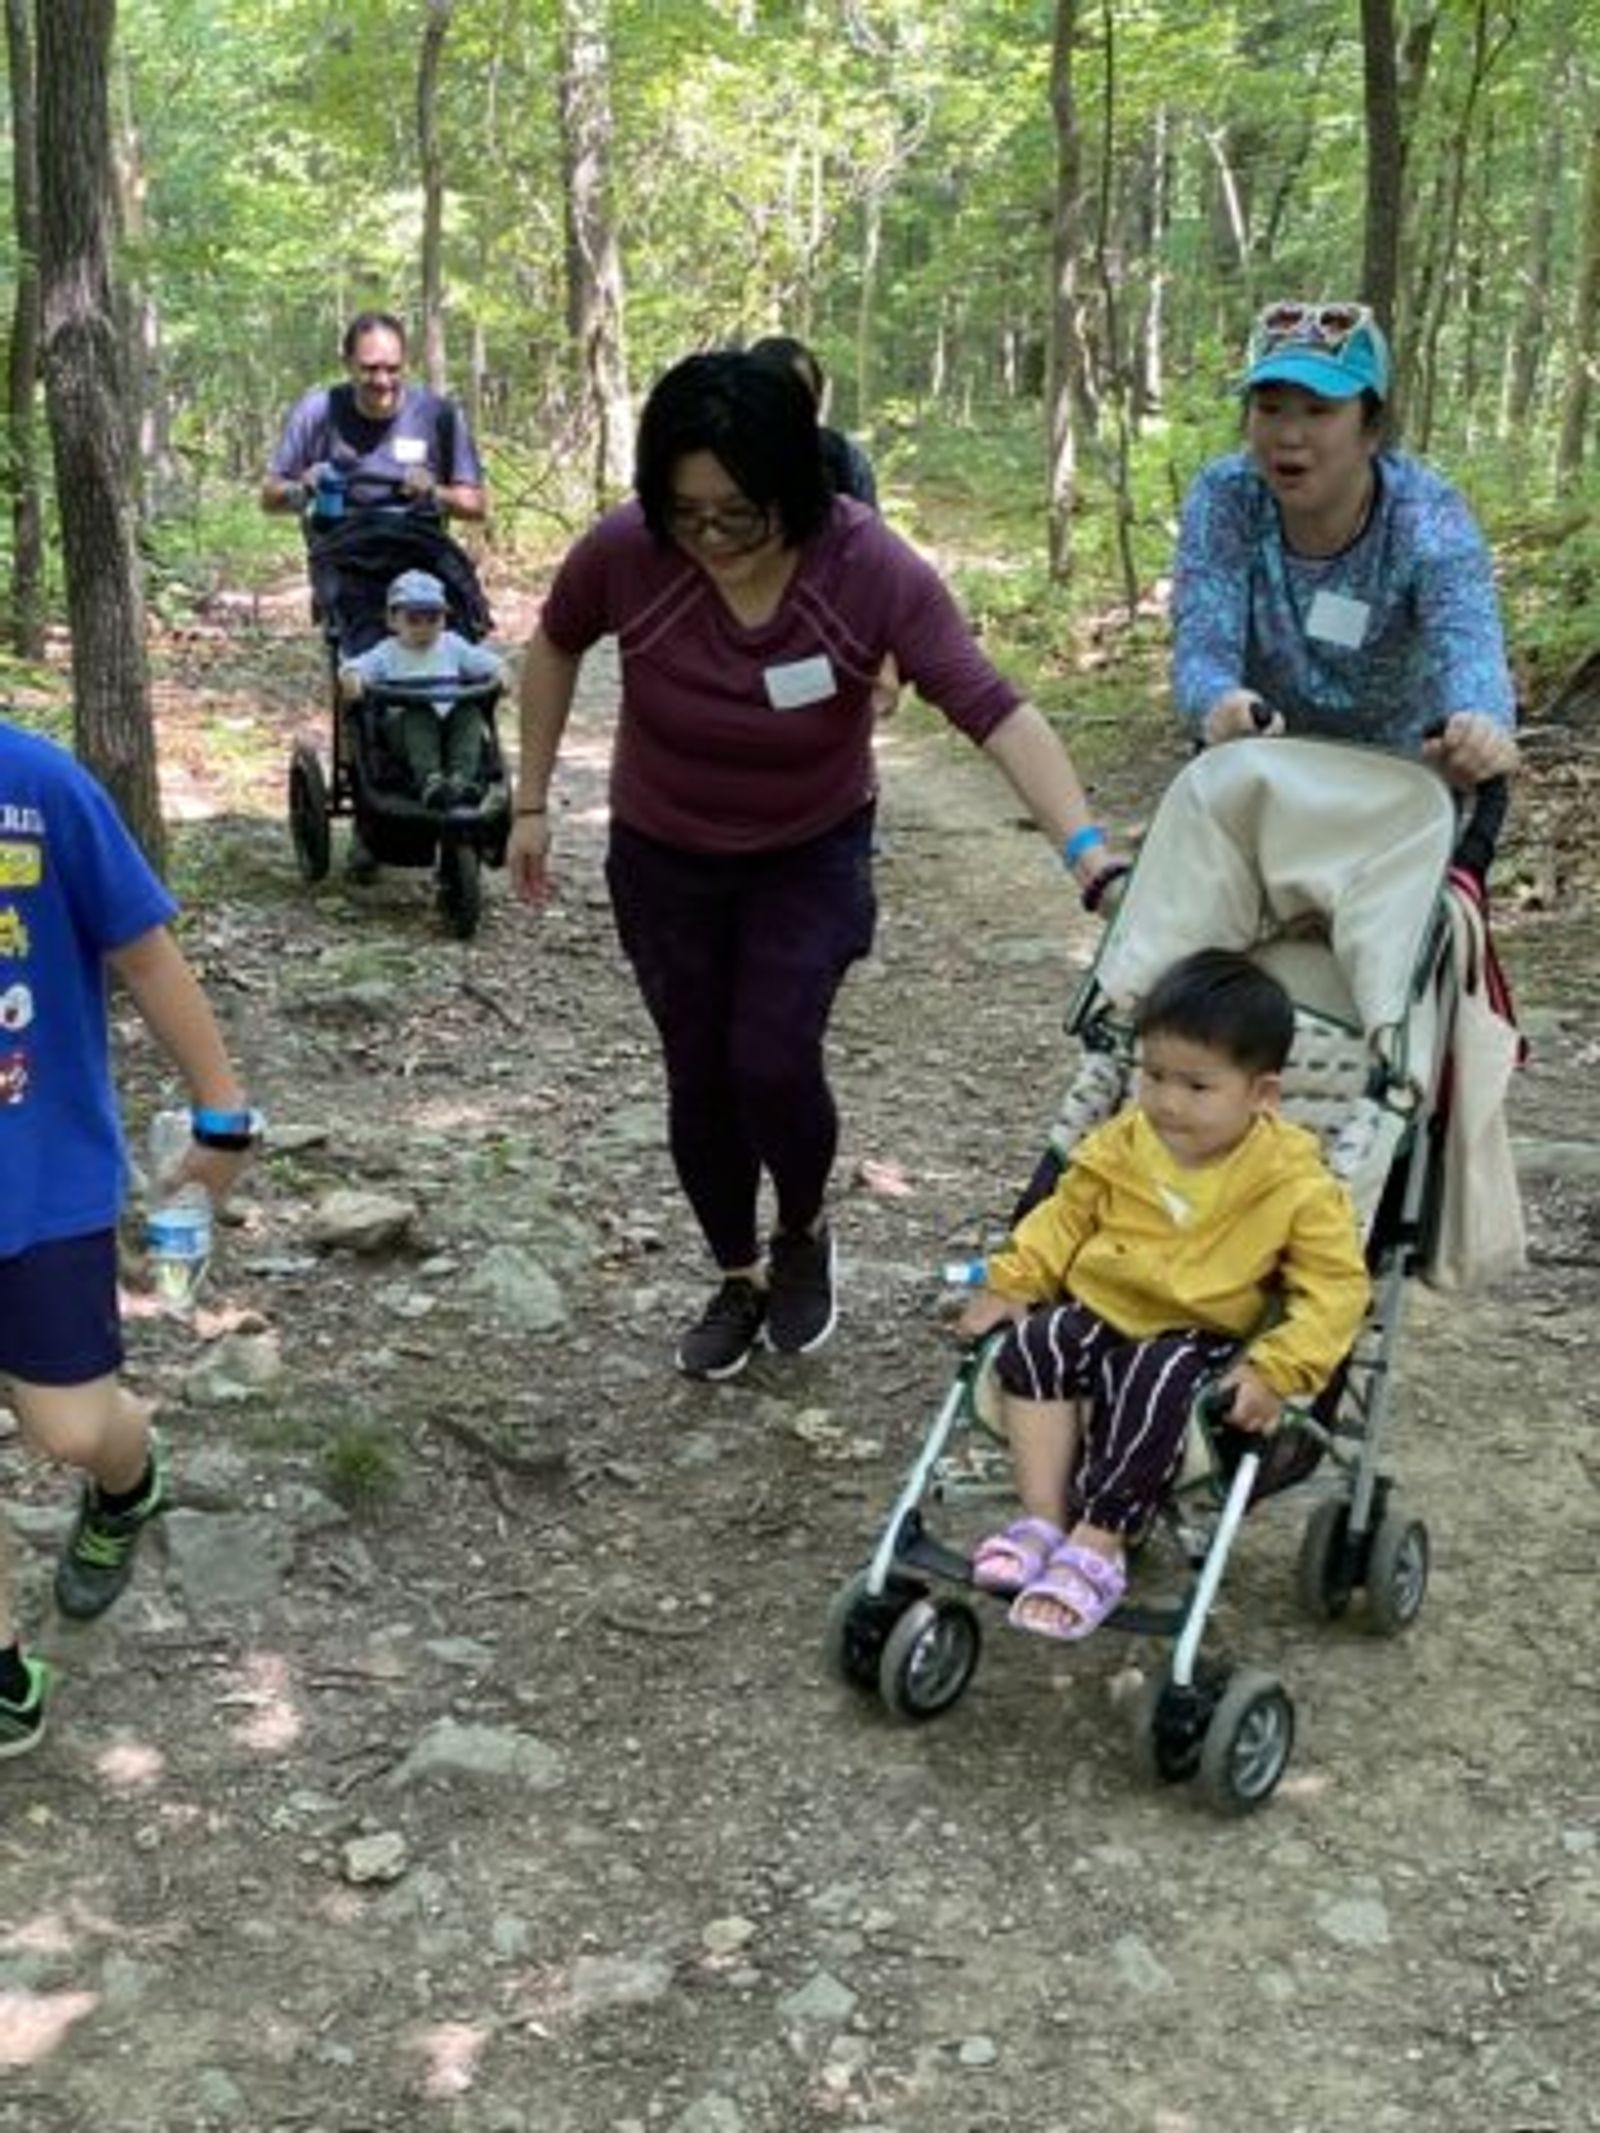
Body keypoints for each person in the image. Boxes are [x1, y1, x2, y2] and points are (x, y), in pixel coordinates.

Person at [508, 350, 1122, 1383]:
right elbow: (556, 641)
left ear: (794, 490)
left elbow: (991, 707)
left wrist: (1088, 854)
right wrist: (530, 802)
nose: (710, 538)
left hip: (809, 851)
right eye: (686, 514)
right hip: (663, 854)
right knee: (699, 1072)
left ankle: (800, 1230)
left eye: (737, 515)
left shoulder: (866, 567)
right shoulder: (628, 551)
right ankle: (737, 1273)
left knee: (772, 1055)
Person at [958, 949, 1369, 1643]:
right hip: (1104, 1307)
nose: (1168, 1102)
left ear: (1261, 1094)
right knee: (1035, 1345)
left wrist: (1279, 1368)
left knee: (1155, 1375)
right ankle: (1043, 1522)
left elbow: (1335, 1288)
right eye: (1153, 1076)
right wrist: (1014, 1280)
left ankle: (1100, 1540)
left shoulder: (1294, 1182)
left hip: (1198, 1331)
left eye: (1197, 1086)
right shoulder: (1124, 1140)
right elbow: (1065, 1216)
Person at [0, 718, 258, 1758]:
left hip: (42, 1174)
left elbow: (144, 953)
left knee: (68, 1427)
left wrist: (222, 1114)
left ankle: (127, 1479)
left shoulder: (37, 785)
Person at [1171, 299, 1518, 789]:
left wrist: (1479, 726)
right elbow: (1201, 645)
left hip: (1400, 783)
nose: (1289, 434)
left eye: (1319, 410)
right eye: (1269, 408)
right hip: (1264, 772)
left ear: (1371, 430)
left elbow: (1469, 646)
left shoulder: (1429, 517)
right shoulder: (1226, 498)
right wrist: (1218, 703)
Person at [260, 311, 487, 524]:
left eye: (392, 369)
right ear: (348, 363)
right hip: (339, 543)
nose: (382, 380)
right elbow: (268, 500)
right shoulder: (316, 411)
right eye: (370, 368)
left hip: (417, 543)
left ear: (405, 363)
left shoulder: (437, 414)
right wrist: (303, 488)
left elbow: (477, 507)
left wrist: (434, 492)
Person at [338, 568, 505, 810]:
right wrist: (353, 677)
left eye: (432, 619)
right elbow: (358, 666)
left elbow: (482, 660)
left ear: (444, 620)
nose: (424, 627)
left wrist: (500, 671)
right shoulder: (387, 652)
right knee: (421, 711)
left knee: (468, 711)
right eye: (413, 620)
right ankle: (430, 781)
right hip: (404, 732)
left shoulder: (452, 645)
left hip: (448, 725)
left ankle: (462, 779)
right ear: (393, 620)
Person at [747, 335, 878, 508]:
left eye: (803, 395)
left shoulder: (845, 459)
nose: (791, 406)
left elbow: (867, 523)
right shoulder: (722, 460)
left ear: (818, 398)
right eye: (778, 394)